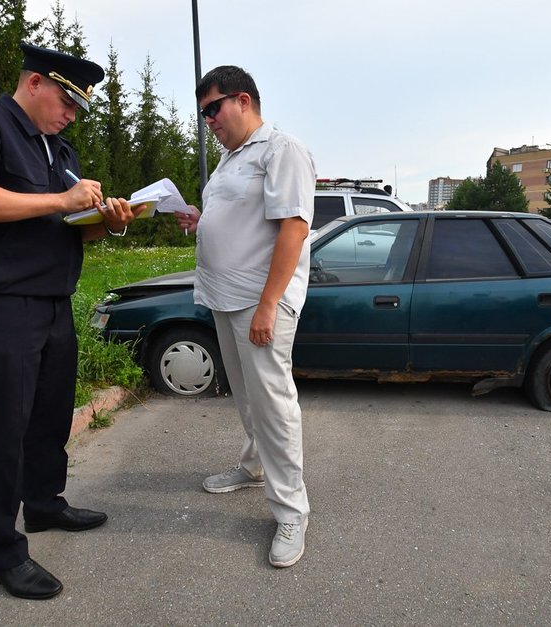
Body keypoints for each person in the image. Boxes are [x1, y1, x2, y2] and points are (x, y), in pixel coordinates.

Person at [0, 42, 144, 600]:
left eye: (79, 107)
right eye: (67, 101)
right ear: (34, 84)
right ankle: (2, 554)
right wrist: (60, 198)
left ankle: (46, 504)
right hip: (2, 301)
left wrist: (112, 221)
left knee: (50, 414)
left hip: (54, 300)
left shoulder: (61, 150)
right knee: (6, 425)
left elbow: (72, 226)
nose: (72, 114)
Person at [175, 65, 314, 568]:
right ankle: (254, 467)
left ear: (243, 100)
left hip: (260, 303)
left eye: (213, 108)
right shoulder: (230, 161)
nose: (208, 120)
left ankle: (291, 511)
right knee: (247, 395)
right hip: (224, 298)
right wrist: (198, 217)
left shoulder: (281, 150)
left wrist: (268, 304)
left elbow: (293, 230)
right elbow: (234, 220)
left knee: (274, 405)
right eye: (203, 112)